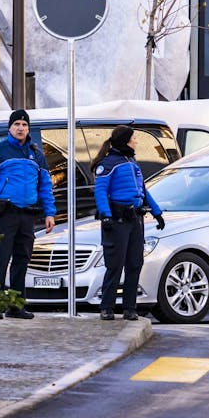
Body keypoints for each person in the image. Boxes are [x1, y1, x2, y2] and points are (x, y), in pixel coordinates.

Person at [0, 109, 56, 320]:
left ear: (28, 128)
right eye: (17, 124)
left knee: (22, 259)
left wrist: (50, 213)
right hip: (5, 214)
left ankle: (16, 306)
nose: (20, 128)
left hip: (28, 215)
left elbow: (45, 186)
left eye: (24, 125)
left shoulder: (36, 154)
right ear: (9, 127)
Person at [92, 125, 165, 321]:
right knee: (114, 265)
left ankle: (129, 308)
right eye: (133, 138)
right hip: (117, 220)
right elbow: (100, 191)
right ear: (125, 141)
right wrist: (106, 215)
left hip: (135, 221)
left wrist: (157, 212)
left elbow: (143, 190)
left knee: (134, 264)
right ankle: (107, 307)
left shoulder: (131, 161)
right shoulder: (109, 164)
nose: (136, 142)